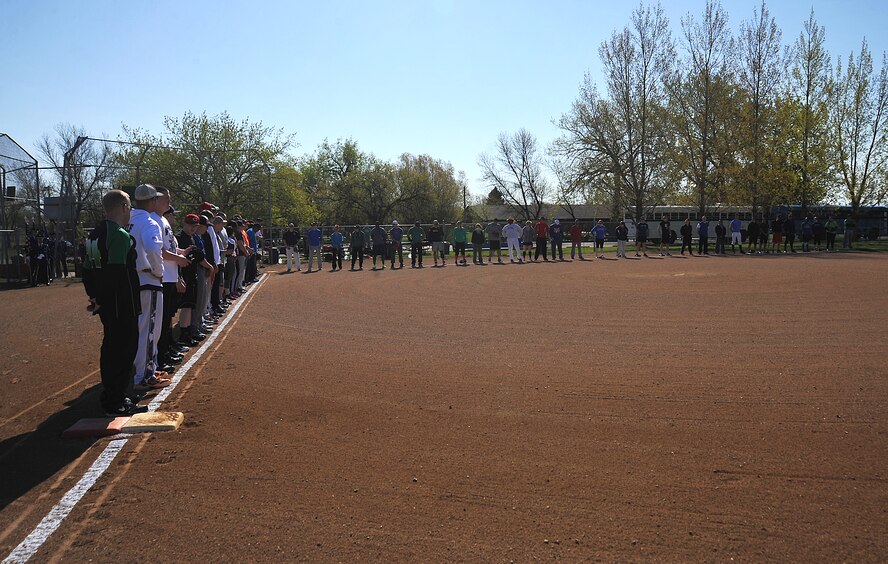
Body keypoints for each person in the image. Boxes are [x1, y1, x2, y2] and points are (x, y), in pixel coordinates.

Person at [83, 190, 149, 416]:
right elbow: (116, 273)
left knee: (112, 346)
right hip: (122, 302)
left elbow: (87, 270)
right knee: (124, 348)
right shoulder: (119, 234)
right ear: (123, 207)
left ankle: (117, 393)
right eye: (129, 206)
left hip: (108, 303)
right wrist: (101, 297)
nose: (130, 211)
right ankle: (116, 400)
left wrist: (95, 297)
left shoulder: (94, 234)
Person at [128, 184, 170, 391]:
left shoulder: (127, 220)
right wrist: (159, 271)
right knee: (150, 330)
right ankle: (144, 375)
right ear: (153, 201)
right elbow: (154, 248)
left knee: (136, 329)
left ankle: (145, 369)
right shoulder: (150, 222)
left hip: (130, 281)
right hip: (148, 280)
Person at [153, 187, 191, 372]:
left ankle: (166, 351)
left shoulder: (163, 223)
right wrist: (179, 259)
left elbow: (169, 249)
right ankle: (161, 356)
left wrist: (180, 254)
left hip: (169, 276)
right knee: (162, 321)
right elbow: (160, 252)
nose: (170, 202)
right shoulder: (156, 222)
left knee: (167, 318)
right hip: (163, 278)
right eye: (167, 199)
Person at [176, 214, 205, 347]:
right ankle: (182, 334)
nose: (193, 228)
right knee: (182, 306)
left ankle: (186, 332)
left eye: (195, 226)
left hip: (192, 274)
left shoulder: (193, 238)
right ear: (185, 223)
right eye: (191, 225)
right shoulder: (179, 238)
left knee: (189, 305)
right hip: (183, 275)